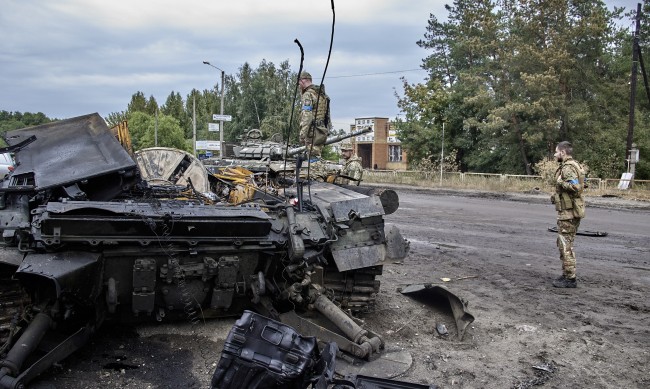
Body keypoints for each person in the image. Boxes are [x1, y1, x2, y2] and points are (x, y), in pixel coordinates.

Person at [550, 141, 586, 288]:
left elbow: (575, 187)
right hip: (572, 211)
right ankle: (566, 274)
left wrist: (560, 183)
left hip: (568, 213)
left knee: (565, 245)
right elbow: (582, 183)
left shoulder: (568, 167)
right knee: (564, 243)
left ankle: (570, 278)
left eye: (557, 152)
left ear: (563, 152)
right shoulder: (575, 165)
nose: (555, 154)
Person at [298, 71, 330, 158]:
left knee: (312, 160)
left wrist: (302, 134)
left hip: (312, 132)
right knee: (317, 156)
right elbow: (327, 114)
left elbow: (307, 116)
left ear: (303, 81)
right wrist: (327, 129)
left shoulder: (308, 94)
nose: (299, 86)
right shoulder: (322, 94)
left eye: (299, 83)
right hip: (321, 131)